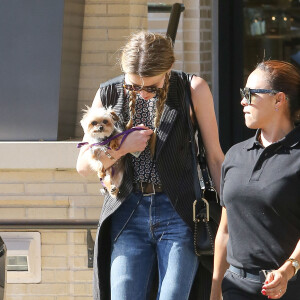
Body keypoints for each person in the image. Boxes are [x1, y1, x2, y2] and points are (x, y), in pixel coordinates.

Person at [76, 31, 224, 300]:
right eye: (134, 86)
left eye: (152, 88)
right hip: (127, 211)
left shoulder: (192, 89)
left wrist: (229, 214)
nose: (143, 94)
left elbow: (214, 156)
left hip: (178, 212)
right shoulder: (108, 92)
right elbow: (84, 165)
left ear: (168, 69)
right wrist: (123, 147)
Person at [210, 60, 300, 300]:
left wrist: (289, 268)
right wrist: (215, 289)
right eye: (242, 93)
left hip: (288, 290)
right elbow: (225, 231)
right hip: (235, 288)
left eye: (250, 94)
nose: (242, 101)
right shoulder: (235, 155)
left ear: (279, 99)